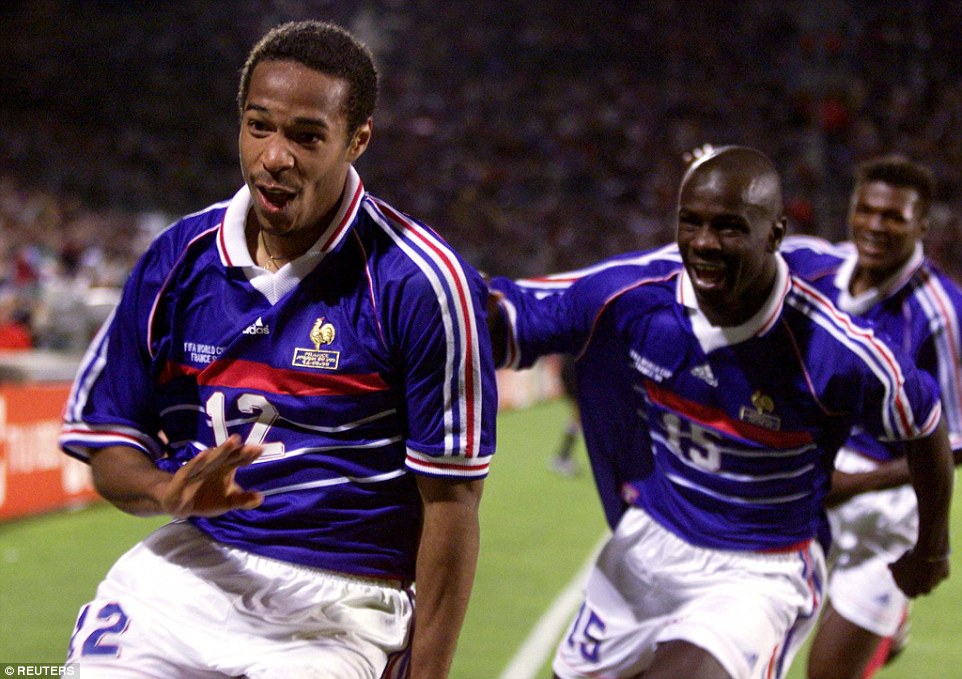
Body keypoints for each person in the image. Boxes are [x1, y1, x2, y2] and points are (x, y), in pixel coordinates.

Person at [58, 20, 496, 679]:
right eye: (259, 126)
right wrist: (166, 489)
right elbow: (109, 438)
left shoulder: (421, 282)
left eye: (306, 135)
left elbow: (452, 506)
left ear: (357, 140)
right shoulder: (177, 259)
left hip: (338, 606)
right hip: (188, 573)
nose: (274, 156)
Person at [487, 146, 953, 679]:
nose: (705, 244)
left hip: (760, 569)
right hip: (649, 545)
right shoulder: (636, 293)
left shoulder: (840, 347)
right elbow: (507, 317)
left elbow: (927, 424)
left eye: (729, 228)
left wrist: (932, 549)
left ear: (775, 235)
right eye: (691, 223)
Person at [779, 156, 962, 679]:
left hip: (885, 511)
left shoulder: (942, 313)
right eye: (866, 210)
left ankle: (886, 617)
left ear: (922, 226)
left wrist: (857, 484)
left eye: (894, 217)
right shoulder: (815, 269)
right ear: (851, 212)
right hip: (804, 491)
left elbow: (958, 440)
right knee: (753, 646)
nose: (876, 226)